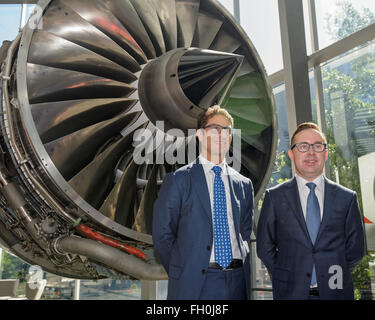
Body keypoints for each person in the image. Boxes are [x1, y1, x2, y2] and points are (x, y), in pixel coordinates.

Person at [152, 105, 254, 300]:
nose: (221, 134)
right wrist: (182, 269)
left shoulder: (244, 184)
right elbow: (162, 234)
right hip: (196, 284)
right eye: (215, 128)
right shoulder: (178, 180)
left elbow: (244, 232)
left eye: (227, 130)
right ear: (200, 135)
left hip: (238, 281)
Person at [256, 122, 365, 300]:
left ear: (326, 153)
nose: (311, 152)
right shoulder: (274, 198)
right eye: (303, 146)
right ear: (291, 154)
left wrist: (333, 274)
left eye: (317, 146)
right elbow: (264, 247)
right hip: (290, 294)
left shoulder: (347, 198)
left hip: (336, 293)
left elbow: (356, 250)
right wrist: (286, 276)